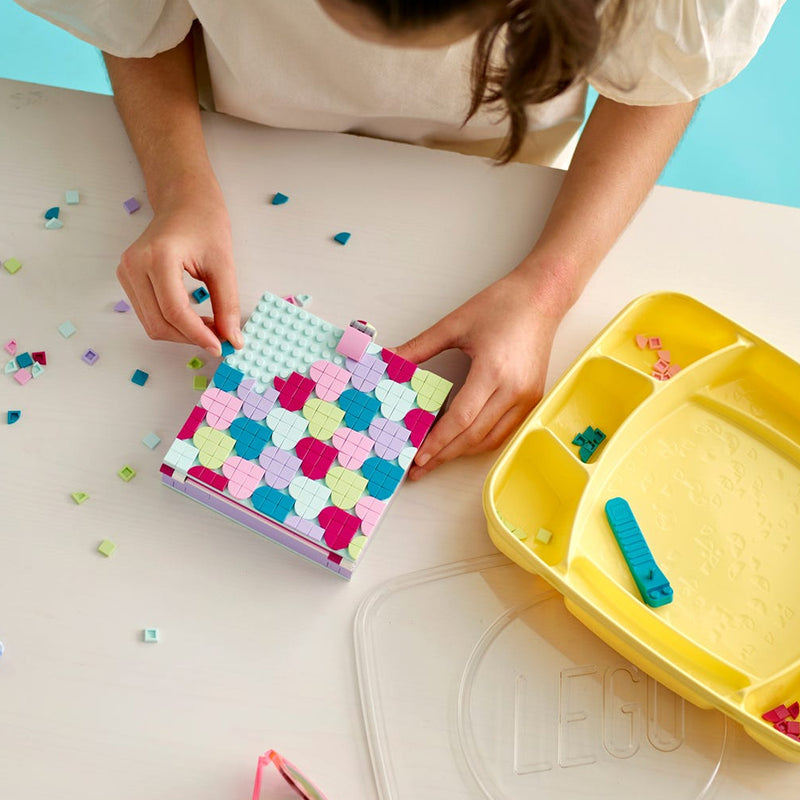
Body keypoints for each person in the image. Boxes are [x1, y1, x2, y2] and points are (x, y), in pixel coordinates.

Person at [15, 0, 785, 479]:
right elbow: (134, 14)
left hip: (504, 181)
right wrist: (181, 184)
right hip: (235, 132)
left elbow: (659, 76)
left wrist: (548, 288)